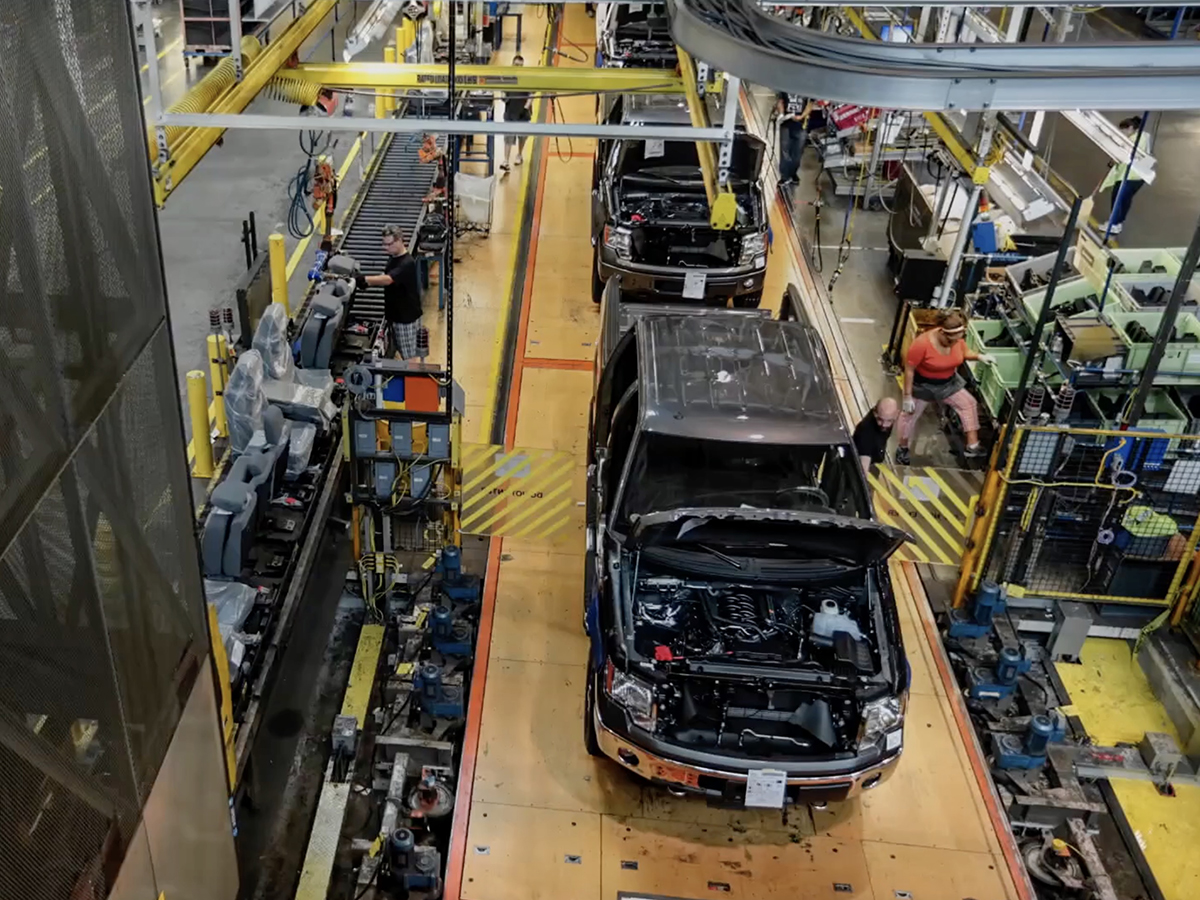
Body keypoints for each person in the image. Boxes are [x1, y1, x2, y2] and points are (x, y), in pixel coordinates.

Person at [896, 310, 992, 465]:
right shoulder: (921, 344)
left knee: (968, 404)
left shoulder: (957, 341)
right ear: (941, 332)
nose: (954, 343)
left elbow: (964, 352)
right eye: (950, 341)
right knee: (909, 416)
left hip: (948, 384)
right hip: (923, 386)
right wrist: (907, 396)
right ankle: (902, 447)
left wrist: (979, 356)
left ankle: (972, 446)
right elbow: (909, 369)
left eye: (957, 340)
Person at [353, 224, 426, 360]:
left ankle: (413, 374)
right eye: (384, 244)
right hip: (395, 316)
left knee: (410, 358)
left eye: (389, 244)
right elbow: (386, 275)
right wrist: (369, 282)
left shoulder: (407, 263)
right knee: (399, 350)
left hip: (405, 320)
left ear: (399, 240)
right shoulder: (394, 257)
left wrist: (364, 280)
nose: (385, 248)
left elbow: (388, 279)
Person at [1100, 116, 1150, 236]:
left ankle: (1114, 224)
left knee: (1118, 200)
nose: (1122, 133)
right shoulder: (1144, 137)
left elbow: (1124, 154)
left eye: (1123, 130)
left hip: (1129, 176)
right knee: (1125, 200)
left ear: (1131, 128)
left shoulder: (1133, 140)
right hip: (1139, 177)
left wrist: (1113, 160)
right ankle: (1118, 222)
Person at [500, 55, 531, 174]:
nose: (518, 67)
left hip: (523, 113)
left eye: (520, 65)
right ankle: (506, 161)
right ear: (512, 64)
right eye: (516, 65)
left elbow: (531, 94)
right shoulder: (507, 78)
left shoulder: (526, 78)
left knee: (522, 136)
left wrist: (526, 106)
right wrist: (503, 97)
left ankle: (519, 154)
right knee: (508, 137)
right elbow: (503, 92)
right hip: (510, 112)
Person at [775, 92, 814, 186]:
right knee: (785, 151)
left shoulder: (808, 88)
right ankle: (785, 176)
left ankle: (793, 173)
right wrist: (781, 114)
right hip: (786, 124)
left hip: (801, 126)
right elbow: (780, 101)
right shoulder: (785, 87)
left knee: (797, 153)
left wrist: (802, 116)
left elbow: (810, 104)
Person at [853, 398, 899, 474]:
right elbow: (863, 468)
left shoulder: (884, 419)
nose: (884, 425)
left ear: (896, 415)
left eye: (889, 420)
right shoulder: (865, 432)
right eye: (880, 420)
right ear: (875, 413)